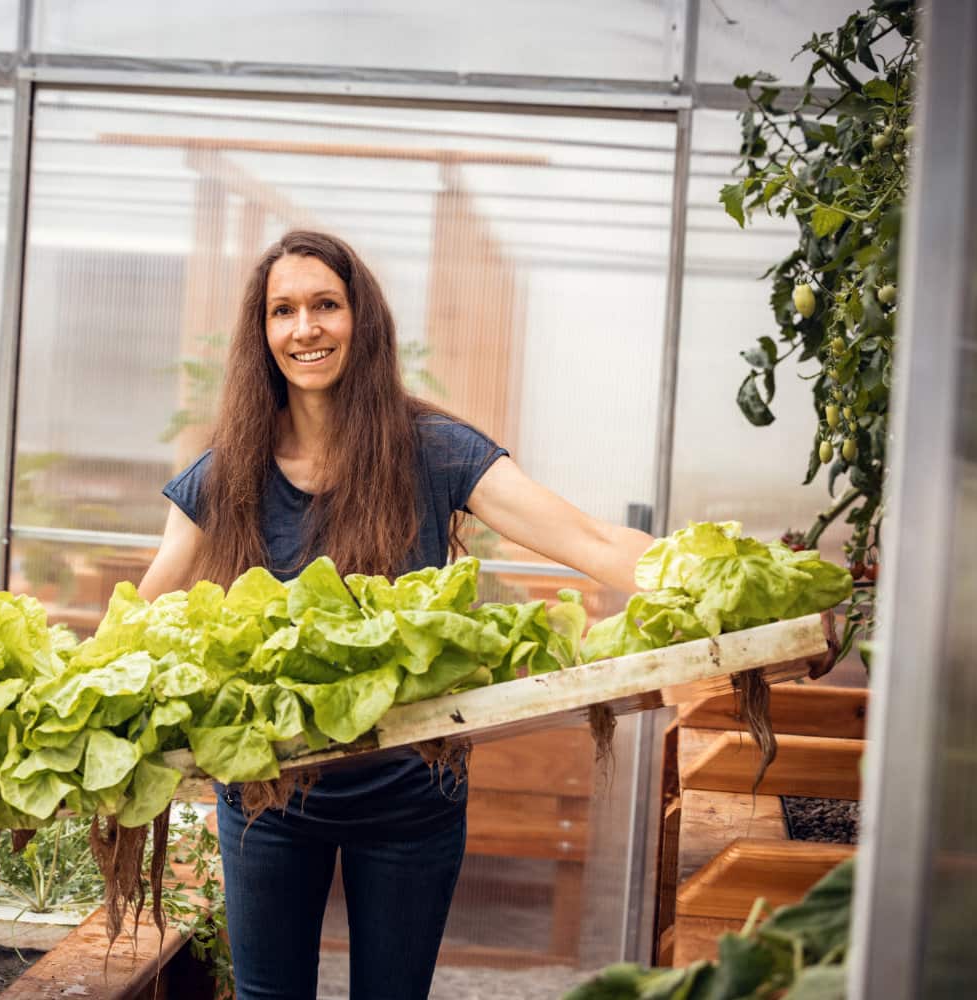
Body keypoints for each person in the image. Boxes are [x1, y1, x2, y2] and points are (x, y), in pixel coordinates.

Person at [138, 230, 654, 1000]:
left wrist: (716, 582)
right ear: (262, 334)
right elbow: (142, 619)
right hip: (269, 798)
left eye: (325, 305)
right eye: (283, 311)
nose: (304, 328)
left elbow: (588, 540)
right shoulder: (228, 470)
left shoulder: (435, 451)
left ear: (362, 319)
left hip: (410, 793)